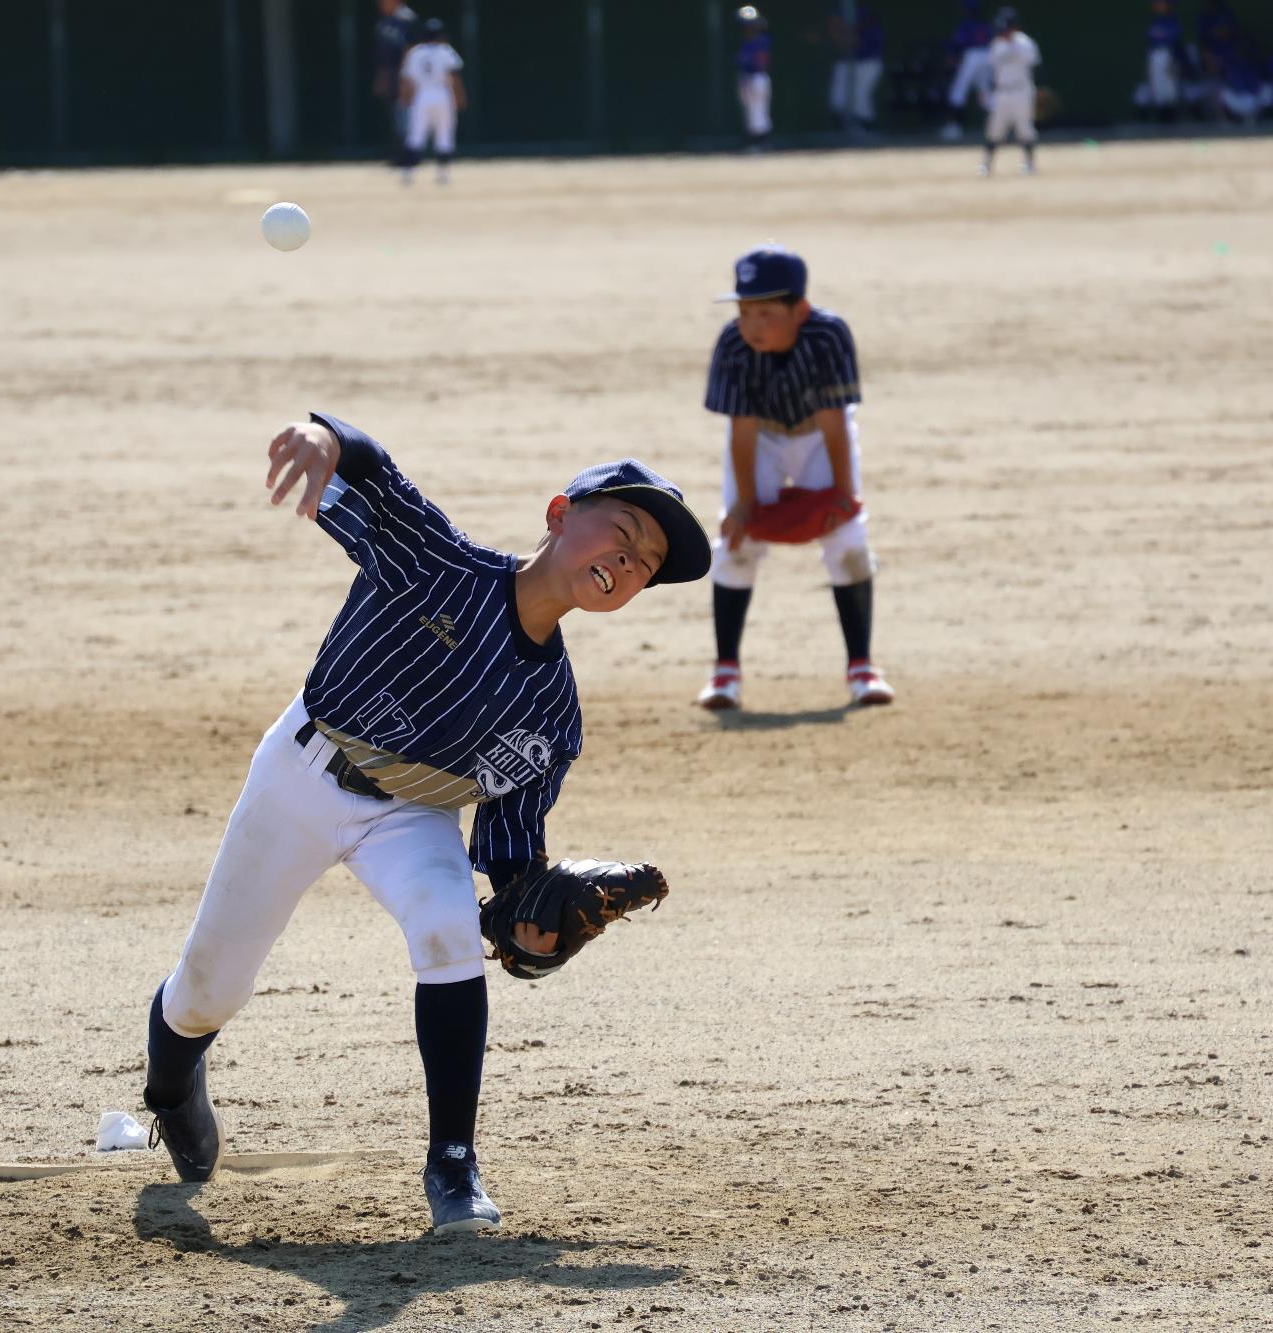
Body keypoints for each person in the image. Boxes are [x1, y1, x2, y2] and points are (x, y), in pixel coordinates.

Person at [139, 412, 711, 1234]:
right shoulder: (442, 564)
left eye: (647, 562)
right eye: (621, 531)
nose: (629, 560)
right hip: (302, 773)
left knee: (446, 926)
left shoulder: (554, 714)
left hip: (412, 815)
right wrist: (326, 440)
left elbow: (511, 867)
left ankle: (453, 1162)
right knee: (206, 990)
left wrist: (536, 938)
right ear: (558, 515)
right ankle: (169, 1087)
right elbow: (377, 476)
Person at [694, 245, 894, 712]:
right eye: (744, 310)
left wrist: (845, 495)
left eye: (766, 312)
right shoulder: (733, 344)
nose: (751, 324)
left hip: (817, 438)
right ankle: (725, 674)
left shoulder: (827, 335)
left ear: (799, 309)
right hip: (760, 437)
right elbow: (741, 431)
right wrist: (744, 505)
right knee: (735, 542)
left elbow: (833, 422)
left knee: (848, 540)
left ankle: (862, 669)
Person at [397, 18, 466, 185]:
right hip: (442, 94)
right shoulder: (445, 50)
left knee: (415, 134)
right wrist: (460, 96)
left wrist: (404, 98)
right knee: (444, 134)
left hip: (421, 96)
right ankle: (442, 174)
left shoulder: (415, 52)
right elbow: (455, 76)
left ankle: (408, 172)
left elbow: (407, 79)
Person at [980, 7, 1039, 176]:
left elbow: (1034, 67)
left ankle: (1029, 164)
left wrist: (1038, 89)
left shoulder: (1025, 43)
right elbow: (993, 71)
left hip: (1021, 90)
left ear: (1014, 27)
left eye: (1006, 28)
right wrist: (987, 90)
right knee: (994, 128)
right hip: (1001, 92)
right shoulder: (996, 44)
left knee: (1025, 128)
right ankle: (986, 164)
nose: (1003, 32)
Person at [373, 0, 421, 161]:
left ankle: (411, 154)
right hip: (391, 73)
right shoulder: (384, 20)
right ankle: (397, 152)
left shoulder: (408, 19)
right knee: (394, 114)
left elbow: (411, 48)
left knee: (406, 114)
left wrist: (405, 75)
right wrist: (383, 75)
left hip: (406, 74)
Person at [939, 0, 992, 141]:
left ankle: (954, 127)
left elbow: (958, 42)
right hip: (987, 55)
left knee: (958, 90)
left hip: (973, 55)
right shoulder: (985, 24)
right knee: (984, 90)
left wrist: (951, 55)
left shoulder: (967, 24)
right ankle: (996, 126)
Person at [828, 5, 886, 133]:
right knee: (838, 100)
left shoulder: (867, 20)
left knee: (860, 96)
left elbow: (853, 39)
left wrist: (846, 33)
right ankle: (847, 129)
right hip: (846, 63)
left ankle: (867, 129)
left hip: (868, 62)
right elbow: (835, 31)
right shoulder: (839, 10)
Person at [1139, 0, 1185, 121]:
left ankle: (1173, 126)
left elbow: (1177, 44)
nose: (1156, 4)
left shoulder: (1173, 21)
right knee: (1157, 93)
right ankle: (1162, 128)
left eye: (1161, 2)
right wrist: (1147, 66)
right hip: (1154, 57)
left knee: (1170, 93)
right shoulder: (1153, 21)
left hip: (1168, 57)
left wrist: (1175, 63)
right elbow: (1149, 45)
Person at [735, 6, 772, 152]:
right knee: (750, 111)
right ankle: (755, 141)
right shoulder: (745, 42)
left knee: (758, 110)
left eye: (751, 25)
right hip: (747, 77)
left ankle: (761, 142)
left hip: (757, 77)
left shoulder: (762, 41)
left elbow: (761, 62)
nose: (748, 29)